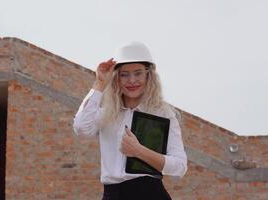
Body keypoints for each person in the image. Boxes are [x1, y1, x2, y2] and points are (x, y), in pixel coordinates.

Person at [73, 42, 187, 200]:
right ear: (116, 78)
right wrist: (99, 83)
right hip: (111, 194)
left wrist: (139, 151)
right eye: (124, 74)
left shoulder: (162, 114)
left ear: (148, 75)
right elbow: (81, 128)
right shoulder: (107, 113)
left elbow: (180, 167)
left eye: (138, 73)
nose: (132, 80)